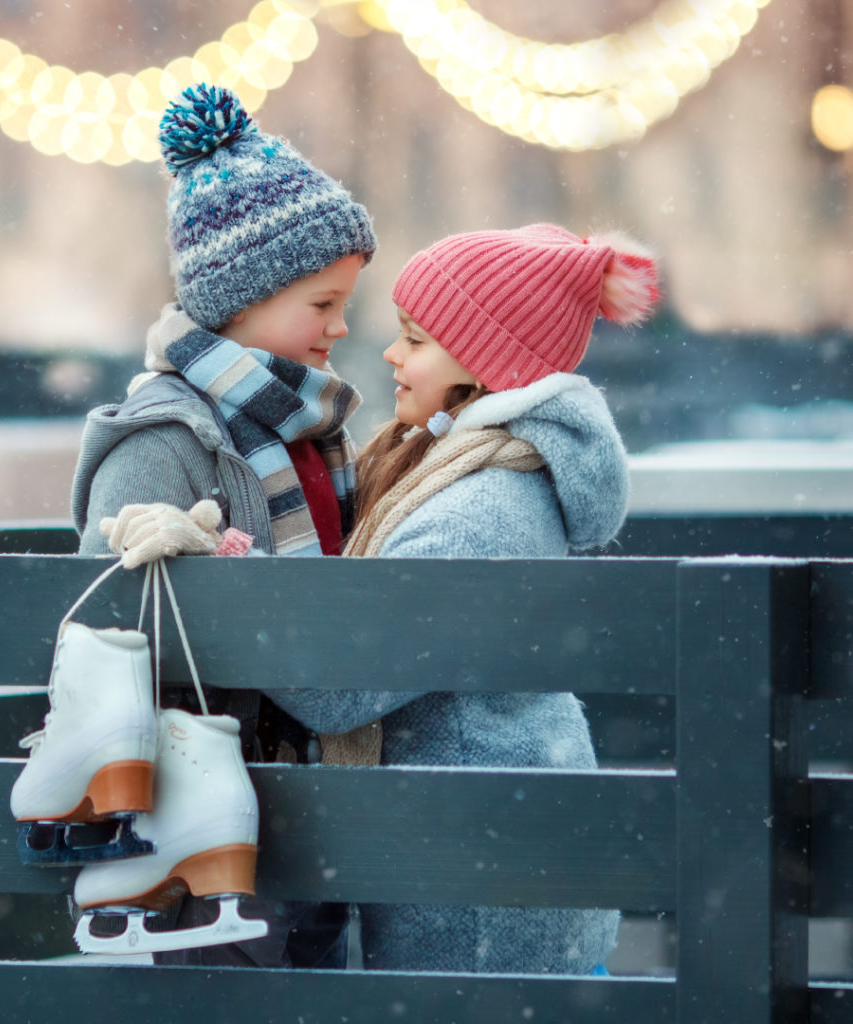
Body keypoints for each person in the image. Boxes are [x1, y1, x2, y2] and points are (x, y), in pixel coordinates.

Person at [268, 223, 660, 973]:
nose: (391, 354)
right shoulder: (459, 471)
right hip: (493, 857)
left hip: (488, 893)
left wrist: (218, 585)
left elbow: (338, 686)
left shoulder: (482, 509)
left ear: (484, 362)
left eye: (414, 339)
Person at [68, 82, 377, 968]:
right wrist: (177, 548)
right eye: (321, 304)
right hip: (202, 811)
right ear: (245, 297)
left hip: (303, 796)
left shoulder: (310, 429)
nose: (341, 327)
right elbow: (102, 601)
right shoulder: (169, 432)